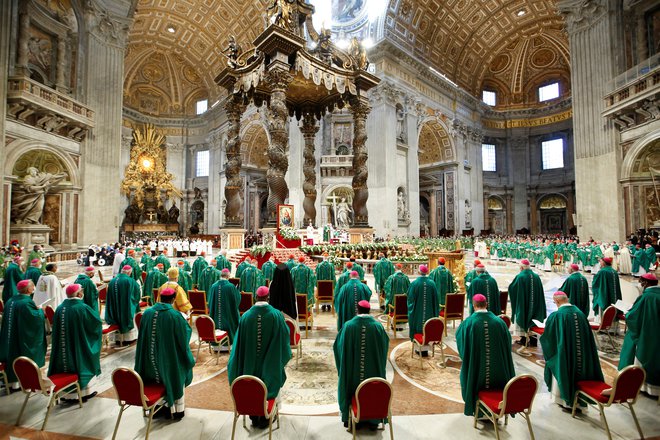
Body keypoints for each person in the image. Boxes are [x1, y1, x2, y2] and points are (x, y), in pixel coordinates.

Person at [228, 286, 292, 429]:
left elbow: (238, 344)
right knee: (269, 381)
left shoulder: (245, 316)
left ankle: (253, 415)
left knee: (251, 383)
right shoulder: (276, 315)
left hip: (249, 363)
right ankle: (266, 416)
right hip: (271, 363)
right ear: (268, 297)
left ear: (256, 297)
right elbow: (284, 337)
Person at [135, 288, 195, 420]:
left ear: (159, 298)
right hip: (168, 357)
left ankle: (158, 407)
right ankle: (177, 410)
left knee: (154, 379)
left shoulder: (147, 313)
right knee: (176, 374)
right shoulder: (175, 315)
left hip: (149, 359)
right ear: (173, 299)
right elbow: (183, 337)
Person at [540, 291, 603, 410]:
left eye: (554, 302)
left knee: (562, 366)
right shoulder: (580, 313)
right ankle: (580, 400)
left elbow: (549, 338)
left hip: (565, 354)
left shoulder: (557, 316)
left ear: (557, 301)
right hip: (582, 355)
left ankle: (565, 401)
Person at [456, 294, 515, 417]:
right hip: (498, 369)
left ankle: (480, 411)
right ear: (486, 304)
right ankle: (497, 409)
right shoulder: (500, 322)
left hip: (476, 368)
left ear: (473, 305)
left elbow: (462, 347)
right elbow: (507, 345)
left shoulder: (468, 324)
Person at [333, 300, 389, 428]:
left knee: (351, 384)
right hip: (373, 368)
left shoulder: (348, 326)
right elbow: (384, 346)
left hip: (352, 371)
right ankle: (373, 419)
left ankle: (350, 417)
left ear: (357, 310)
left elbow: (338, 347)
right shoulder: (378, 326)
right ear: (369, 311)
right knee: (373, 386)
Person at [48, 284, 102, 401]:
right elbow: (95, 324)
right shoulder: (82, 308)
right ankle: (83, 393)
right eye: (82, 291)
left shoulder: (59, 308)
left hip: (63, 346)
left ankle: (66, 394)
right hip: (79, 344)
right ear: (79, 294)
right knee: (82, 361)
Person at [619, 273, 660, 397]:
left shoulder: (646, 297)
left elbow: (633, 317)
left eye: (641, 282)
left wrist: (628, 313)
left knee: (642, 358)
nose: (640, 285)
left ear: (645, 283)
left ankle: (643, 387)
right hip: (656, 335)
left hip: (646, 336)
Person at [508, 259, 546, 346]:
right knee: (534, 317)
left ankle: (523, 339)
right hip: (535, 303)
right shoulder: (536, 276)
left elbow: (513, 288)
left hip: (523, 302)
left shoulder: (520, 277)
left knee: (523, 314)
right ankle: (533, 340)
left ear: (521, 267)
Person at [105, 265, 141, 345]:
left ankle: (117, 338)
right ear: (129, 272)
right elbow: (136, 295)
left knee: (116, 315)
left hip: (114, 307)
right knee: (127, 316)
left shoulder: (112, 281)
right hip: (126, 307)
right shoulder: (130, 281)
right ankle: (129, 338)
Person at [407, 265, 439, 343]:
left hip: (417, 314)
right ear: (427, 272)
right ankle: (428, 340)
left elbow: (410, 299)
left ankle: (418, 345)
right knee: (428, 325)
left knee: (418, 326)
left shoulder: (414, 283)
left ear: (418, 272)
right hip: (429, 312)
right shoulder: (432, 284)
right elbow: (436, 299)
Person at [208, 269, 241, 342]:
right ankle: (229, 342)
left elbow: (210, 301)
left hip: (216, 314)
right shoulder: (231, 287)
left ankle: (216, 343)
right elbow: (237, 300)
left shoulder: (213, 286)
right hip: (228, 315)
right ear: (228, 276)